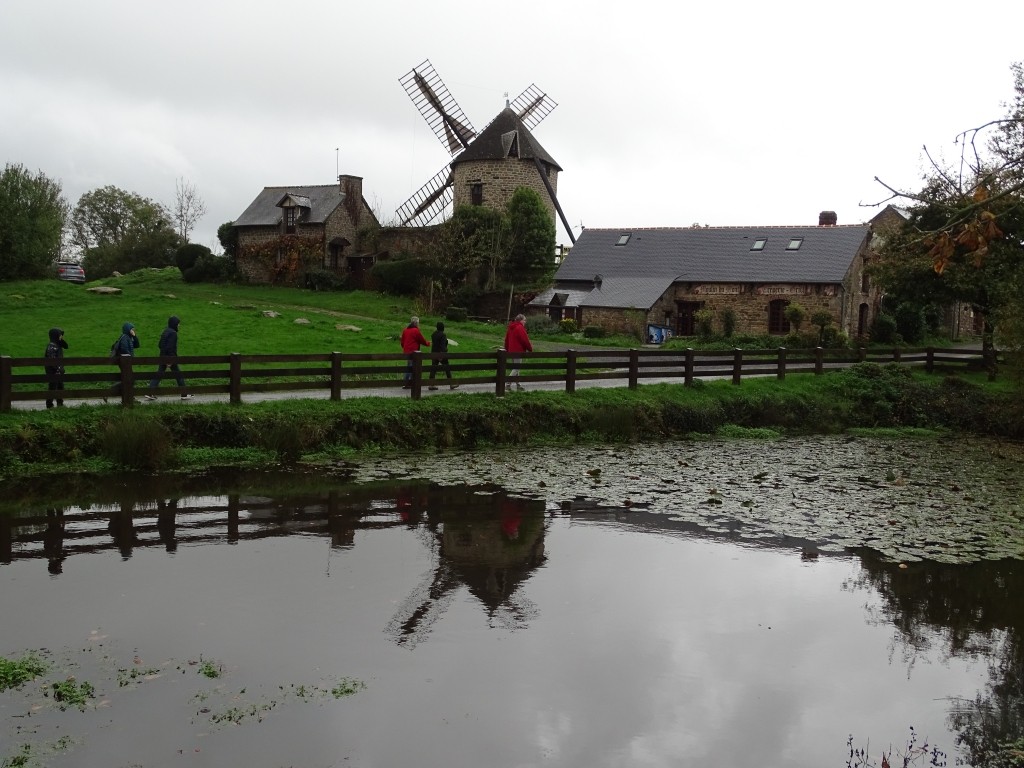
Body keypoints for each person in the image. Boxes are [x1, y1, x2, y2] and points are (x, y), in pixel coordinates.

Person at [146, 315, 193, 400]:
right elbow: (170, 347)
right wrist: (170, 360)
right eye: (178, 324)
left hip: (162, 356)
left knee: (159, 374)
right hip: (170, 358)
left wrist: (164, 357)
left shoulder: (165, 331)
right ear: (174, 324)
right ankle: (184, 394)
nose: (179, 325)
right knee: (178, 375)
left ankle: (150, 392)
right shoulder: (173, 333)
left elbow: (160, 345)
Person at [108, 321, 141, 401]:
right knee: (129, 379)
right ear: (127, 329)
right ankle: (109, 392)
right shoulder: (124, 338)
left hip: (126, 362)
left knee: (129, 379)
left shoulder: (129, 337)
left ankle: (129, 397)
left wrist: (135, 336)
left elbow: (137, 345)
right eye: (131, 329)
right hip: (124, 362)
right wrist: (130, 357)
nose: (133, 330)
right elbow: (125, 350)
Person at [503, 313, 532, 391]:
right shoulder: (520, 328)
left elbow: (506, 339)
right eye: (524, 320)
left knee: (516, 367)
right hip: (518, 351)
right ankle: (507, 384)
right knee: (517, 367)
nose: (525, 322)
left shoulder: (511, 327)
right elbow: (525, 340)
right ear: (521, 320)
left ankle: (518, 385)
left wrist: (506, 348)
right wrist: (530, 349)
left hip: (511, 350)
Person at [399, 316, 430, 388]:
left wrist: (405, 348)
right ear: (416, 323)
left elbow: (402, 342)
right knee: (412, 367)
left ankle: (408, 382)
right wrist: (428, 343)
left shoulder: (405, 330)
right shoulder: (416, 331)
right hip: (414, 352)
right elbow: (421, 340)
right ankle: (409, 383)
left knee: (409, 367)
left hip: (406, 351)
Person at [428, 321, 459, 391]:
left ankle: (431, 384)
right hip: (441, 354)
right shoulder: (443, 335)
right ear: (443, 327)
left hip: (434, 353)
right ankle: (451, 384)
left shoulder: (433, 334)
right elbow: (442, 346)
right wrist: (443, 353)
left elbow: (435, 344)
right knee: (447, 368)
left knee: (433, 369)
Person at [44, 327, 68, 408]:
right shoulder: (52, 346)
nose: (61, 337)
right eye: (60, 335)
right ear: (55, 336)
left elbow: (66, 346)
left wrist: (61, 369)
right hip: (52, 371)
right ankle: (49, 404)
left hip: (59, 370)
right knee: (53, 387)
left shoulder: (58, 345)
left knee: (60, 387)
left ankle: (60, 403)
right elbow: (52, 360)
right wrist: (57, 369)